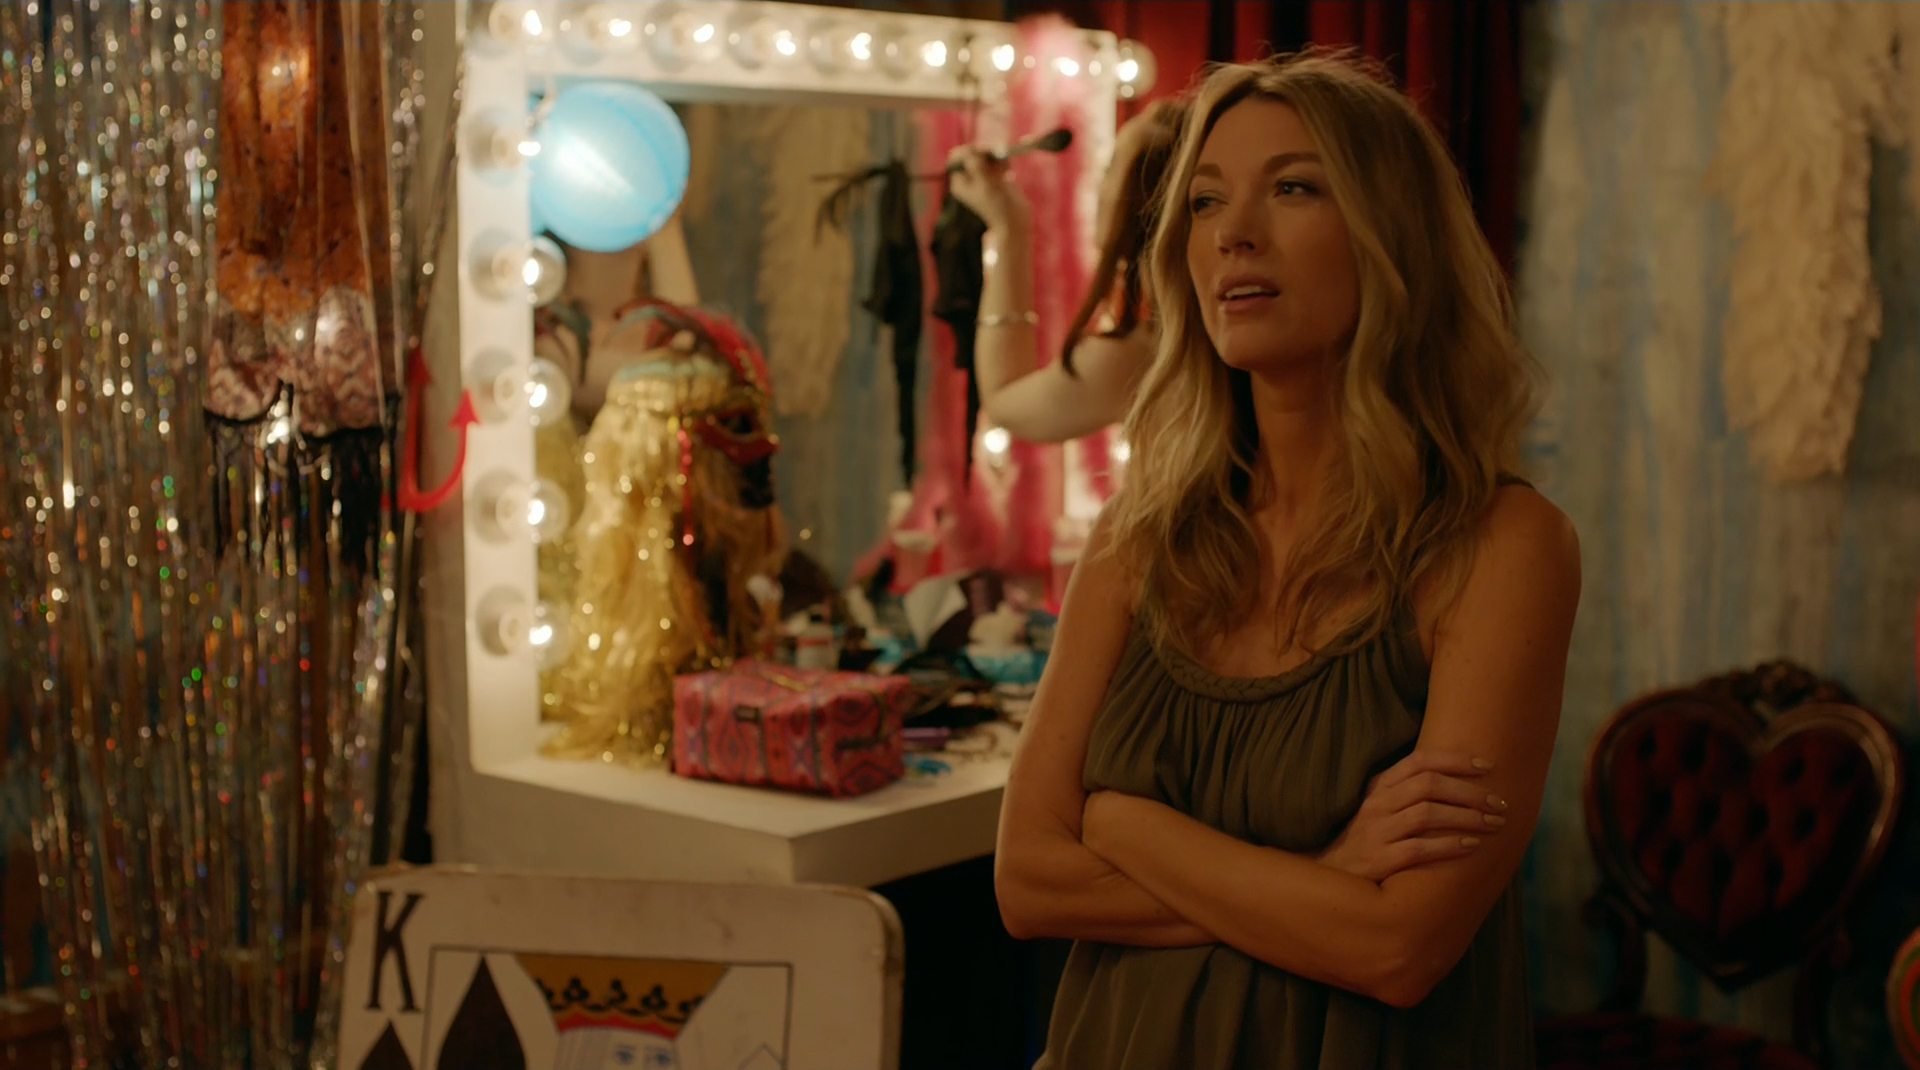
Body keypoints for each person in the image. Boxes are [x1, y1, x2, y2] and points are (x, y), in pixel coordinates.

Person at [993, 50, 1581, 1068]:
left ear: (1392, 237)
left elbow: (1397, 946)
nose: (1233, 232)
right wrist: (1327, 871)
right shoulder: (1139, 537)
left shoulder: (1501, 547)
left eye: (1295, 188)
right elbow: (1029, 882)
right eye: (1205, 200)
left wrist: (1126, 825)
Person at [946, 99, 1186, 443]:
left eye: (1110, 169)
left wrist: (1010, 229)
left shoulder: (1140, 356)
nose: (1098, 188)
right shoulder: (1170, 339)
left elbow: (1005, 404)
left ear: (1147, 196)